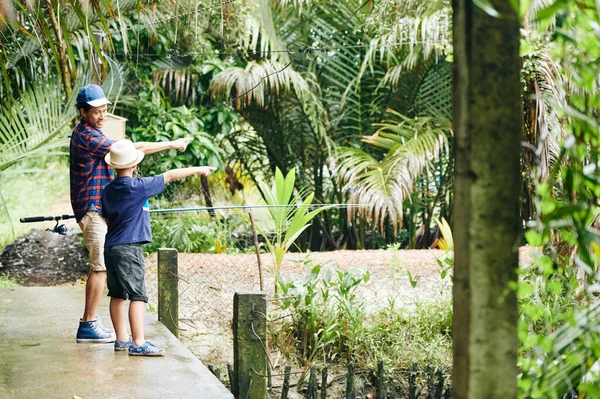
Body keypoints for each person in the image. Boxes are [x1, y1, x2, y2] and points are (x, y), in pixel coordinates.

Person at [71, 84, 191, 343]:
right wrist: (170, 144)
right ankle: (88, 324)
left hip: (96, 208)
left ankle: (113, 334)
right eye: (95, 112)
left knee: (108, 278)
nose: (101, 116)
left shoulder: (90, 132)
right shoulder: (87, 136)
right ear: (83, 112)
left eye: (104, 110)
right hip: (92, 208)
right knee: (100, 268)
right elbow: (128, 149)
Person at [101, 139, 215, 355]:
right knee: (138, 295)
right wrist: (199, 169)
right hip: (129, 247)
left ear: (113, 166)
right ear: (134, 165)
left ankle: (121, 340)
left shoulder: (107, 190)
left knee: (117, 294)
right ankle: (138, 343)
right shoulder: (139, 186)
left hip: (111, 247)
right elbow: (170, 175)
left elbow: (107, 218)